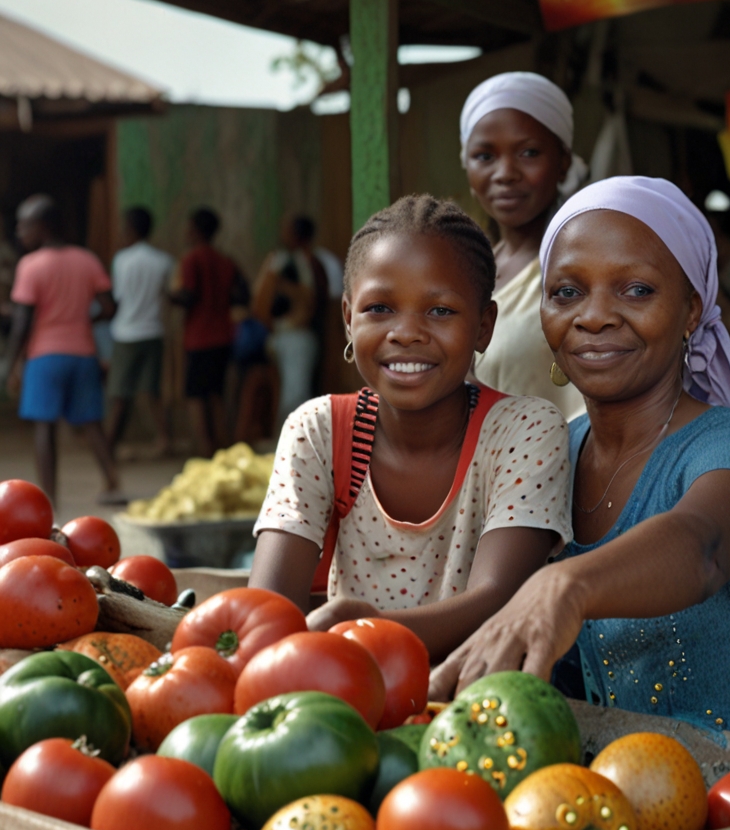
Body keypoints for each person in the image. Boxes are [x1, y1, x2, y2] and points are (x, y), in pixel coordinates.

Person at [431, 177, 730, 747]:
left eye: (636, 290)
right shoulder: (551, 454)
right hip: (589, 795)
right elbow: (491, 602)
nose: (595, 317)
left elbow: (701, 547)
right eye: (566, 293)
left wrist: (566, 586)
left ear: (691, 311)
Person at [248, 194, 572, 662]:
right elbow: (268, 611)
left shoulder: (525, 430)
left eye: (440, 311)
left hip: (472, 704)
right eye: (380, 308)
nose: (406, 332)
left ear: (484, 327)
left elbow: (500, 601)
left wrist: (357, 635)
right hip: (339, 701)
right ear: (347, 319)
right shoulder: (318, 431)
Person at [460, 71, 587, 421]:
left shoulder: (581, 271)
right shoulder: (466, 271)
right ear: (465, 164)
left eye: (528, 152)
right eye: (485, 156)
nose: (505, 173)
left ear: (562, 162)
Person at [5, 195, 120, 503]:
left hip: (45, 355)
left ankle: (50, 498)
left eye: (24, 224)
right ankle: (112, 480)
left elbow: (22, 321)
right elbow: (110, 307)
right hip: (83, 352)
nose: (19, 231)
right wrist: (82, 319)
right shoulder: (87, 259)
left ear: (42, 226)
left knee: (45, 426)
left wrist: (10, 363)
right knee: (92, 422)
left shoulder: (30, 265)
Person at [169, 207, 249, 458]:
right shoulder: (226, 261)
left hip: (198, 337)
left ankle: (204, 447)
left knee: (194, 395)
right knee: (216, 393)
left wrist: (170, 295)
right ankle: (222, 445)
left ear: (194, 230)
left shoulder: (191, 260)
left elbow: (189, 296)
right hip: (224, 335)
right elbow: (243, 295)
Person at [106, 206, 174, 455]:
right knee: (152, 392)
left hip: (126, 332)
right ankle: (164, 439)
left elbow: (119, 296)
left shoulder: (122, 260)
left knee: (120, 394)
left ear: (130, 228)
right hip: (153, 332)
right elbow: (169, 294)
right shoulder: (163, 260)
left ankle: (110, 443)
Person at [253, 215, 329, 429]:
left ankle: (297, 443)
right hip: (283, 334)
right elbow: (259, 304)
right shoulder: (282, 262)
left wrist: (282, 285)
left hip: (299, 335)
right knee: (285, 393)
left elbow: (309, 303)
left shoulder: (308, 264)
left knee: (295, 395)